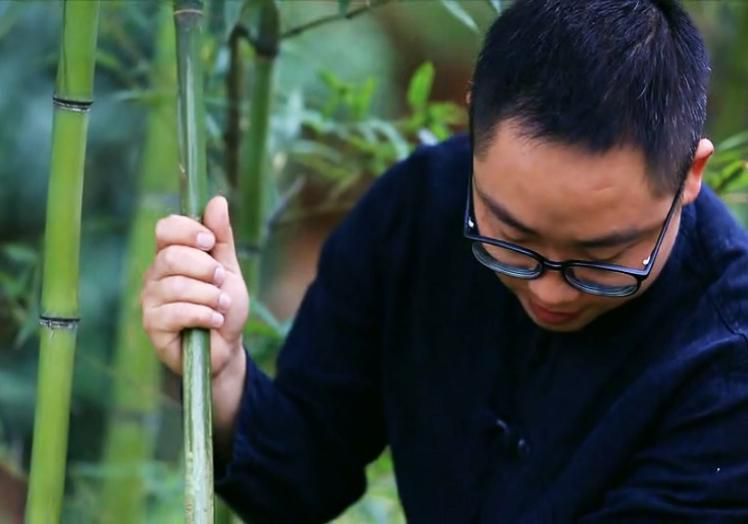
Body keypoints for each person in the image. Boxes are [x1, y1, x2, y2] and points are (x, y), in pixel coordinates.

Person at [141, 0, 748, 521]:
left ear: (689, 175)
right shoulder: (416, 210)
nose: (550, 290)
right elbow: (303, 474)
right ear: (472, 118)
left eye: (602, 257)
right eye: (511, 238)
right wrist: (222, 374)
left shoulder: (729, 354)